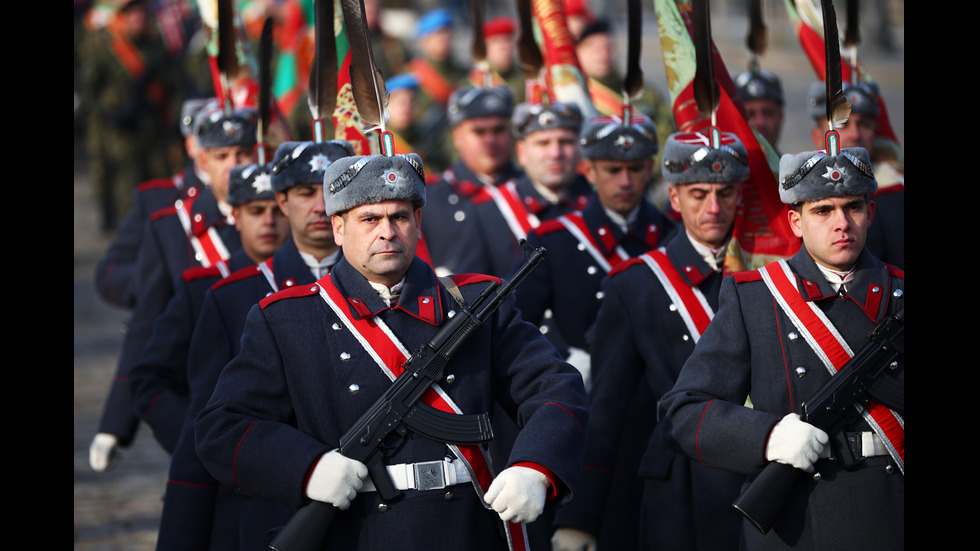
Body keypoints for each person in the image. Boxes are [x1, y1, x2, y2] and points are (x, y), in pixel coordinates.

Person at [194, 151, 590, 550]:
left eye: (399, 217)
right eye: (369, 219)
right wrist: (307, 467)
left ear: (418, 223)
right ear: (338, 227)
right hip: (357, 532)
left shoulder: (473, 303)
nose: (387, 232)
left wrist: (535, 466)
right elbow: (223, 427)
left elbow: (555, 388)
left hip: (465, 528)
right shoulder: (286, 320)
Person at [658, 144, 904, 550]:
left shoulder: (899, 294)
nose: (841, 223)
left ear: (870, 214)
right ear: (796, 221)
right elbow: (684, 412)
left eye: (853, 208)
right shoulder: (755, 297)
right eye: (822, 210)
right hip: (798, 525)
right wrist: (767, 436)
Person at [553, 129, 751, 551]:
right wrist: (581, 517)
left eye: (726, 193)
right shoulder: (638, 284)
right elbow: (608, 410)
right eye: (698, 194)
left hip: (759, 473)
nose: (713, 208)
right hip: (682, 490)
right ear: (675, 199)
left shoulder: (768, 276)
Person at [155, 139, 355, 551]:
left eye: (330, 191)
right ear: (282, 200)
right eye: (305, 193)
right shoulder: (233, 297)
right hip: (273, 509)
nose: (320, 206)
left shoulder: (385, 288)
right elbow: (210, 424)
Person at [89, 105, 257, 472]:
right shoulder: (171, 224)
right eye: (223, 155)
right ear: (200, 157)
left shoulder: (278, 218)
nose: (236, 164)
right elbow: (145, 325)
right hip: (200, 389)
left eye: (244, 153)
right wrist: (115, 425)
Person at [128, 161, 289, 454]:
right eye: (256, 211)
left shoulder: (313, 286)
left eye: (278, 212)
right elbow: (149, 378)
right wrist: (198, 440)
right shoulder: (203, 288)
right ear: (236, 217)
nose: (269, 221)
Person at [511, 112, 673, 384]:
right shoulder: (553, 241)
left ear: (649, 168)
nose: (625, 182)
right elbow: (514, 325)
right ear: (588, 171)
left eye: (634, 169)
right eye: (613, 170)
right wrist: (559, 362)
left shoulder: (672, 236)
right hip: (587, 392)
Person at [94, 96, 214, 310]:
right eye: (220, 151)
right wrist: (158, 285)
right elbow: (110, 274)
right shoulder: (158, 200)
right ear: (193, 146)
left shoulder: (264, 203)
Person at [77, 0, 182, 231]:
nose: (137, 19)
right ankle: (130, 236)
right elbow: (90, 87)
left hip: (153, 128)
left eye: (141, 14)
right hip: (123, 133)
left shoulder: (158, 48)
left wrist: (172, 117)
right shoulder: (110, 49)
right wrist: (108, 114)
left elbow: (175, 84)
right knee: (128, 189)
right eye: (131, 15)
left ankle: (161, 233)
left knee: (160, 187)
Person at [465, 101, 592, 278]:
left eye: (565, 142)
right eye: (543, 143)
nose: (555, 153)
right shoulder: (486, 213)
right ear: (522, 152)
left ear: (579, 148)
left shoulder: (599, 204)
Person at [420, 84, 521, 276]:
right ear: (457, 137)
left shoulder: (529, 189)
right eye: (479, 132)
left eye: (499, 130)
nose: (490, 140)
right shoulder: (430, 198)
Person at [807, 81, 904, 269]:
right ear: (818, 135)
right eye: (843, 124)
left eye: (864, 124)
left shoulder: (896, 193)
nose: (855, 134)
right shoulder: (799, 192)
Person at [469, 16, 524, 102]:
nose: (505, 47)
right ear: (485, 47)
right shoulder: (475, 82)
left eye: (508, 41)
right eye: (496, 42)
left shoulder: (524, 77)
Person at [735, 69, 785, 154]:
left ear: (780, 117)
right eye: (750, 114)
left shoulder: (795, 167)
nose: (760, 123)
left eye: (768, 113)